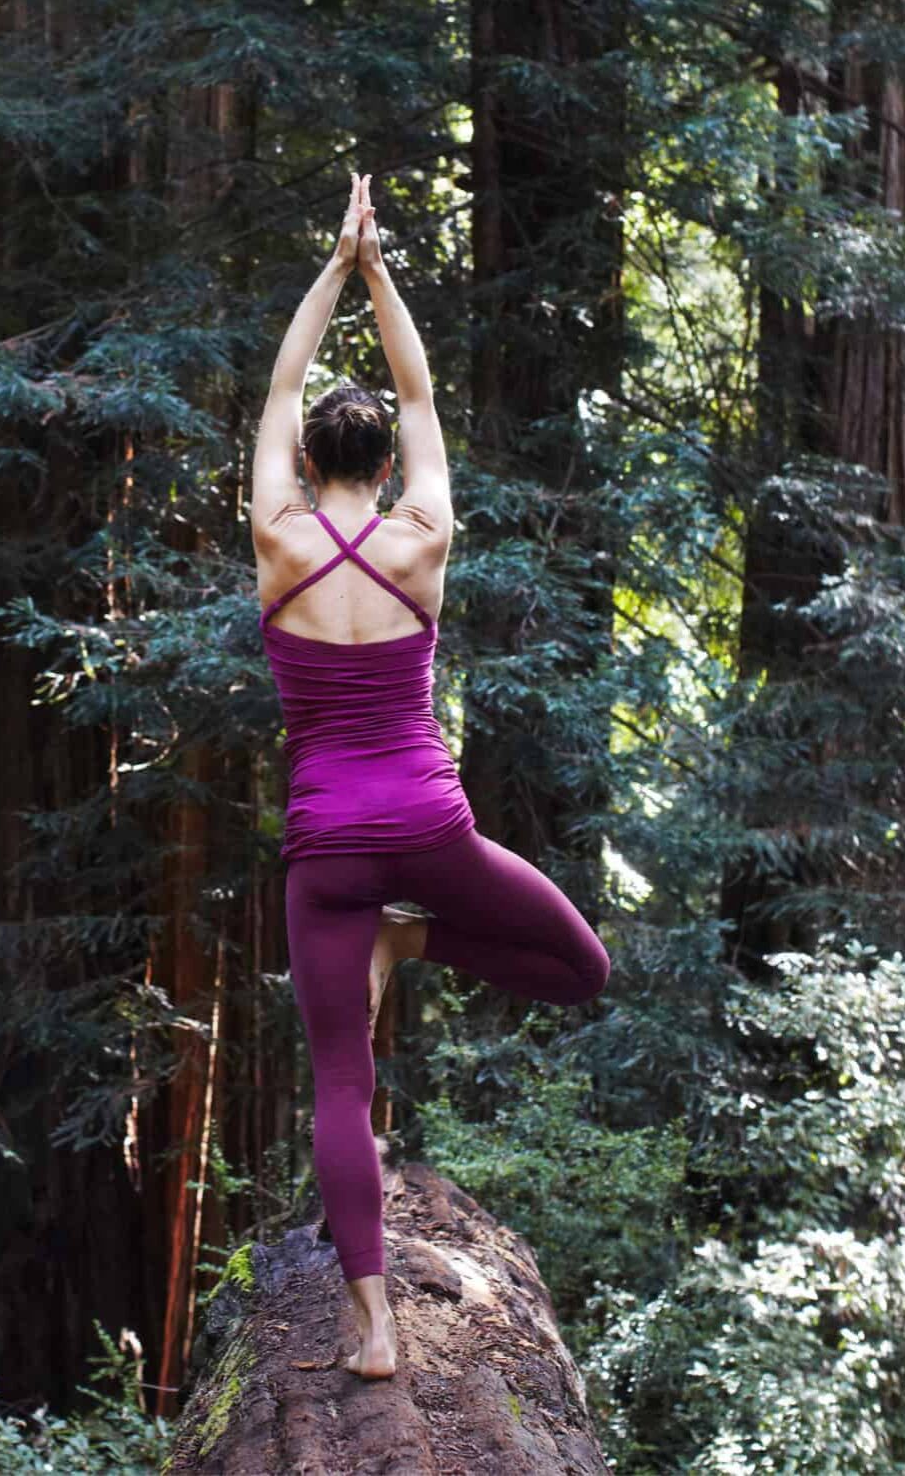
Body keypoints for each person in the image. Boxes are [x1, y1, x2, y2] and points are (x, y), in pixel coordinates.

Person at [251, 169, 612, 1381]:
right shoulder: (424, 538)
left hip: (327, 854)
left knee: (340, 1087)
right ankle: (421, 942)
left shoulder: (275, 537)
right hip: (428, 830)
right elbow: (414, 388)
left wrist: (331, 266)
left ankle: (370, 1329)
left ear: (306, 457)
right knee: (584, 968)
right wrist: (383, 266)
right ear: (385, 462)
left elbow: (285, 381)